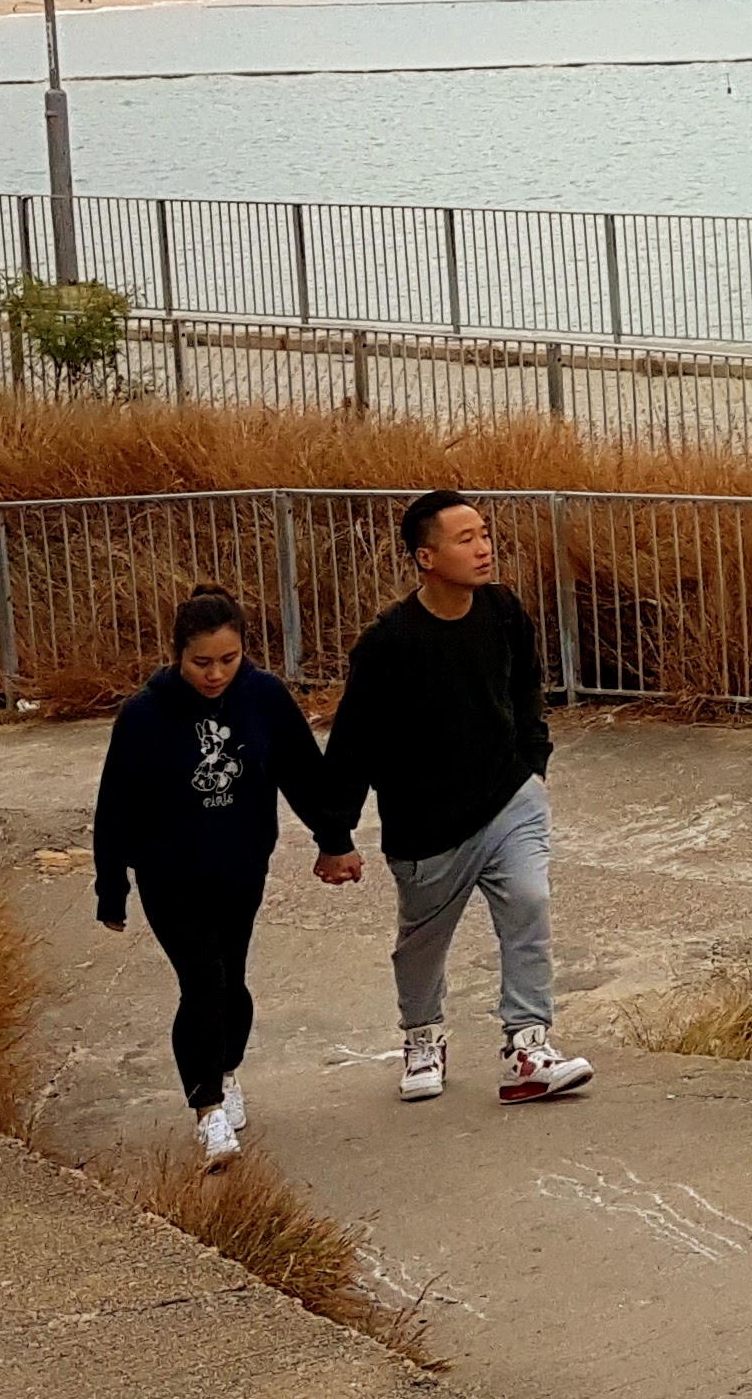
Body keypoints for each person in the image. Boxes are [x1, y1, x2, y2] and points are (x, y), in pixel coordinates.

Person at [300, 490, 594, 1106]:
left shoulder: (503, 609)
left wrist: (532, 766)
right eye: (466, 539)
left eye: (485, 534)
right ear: (425, 557)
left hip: (509, 798)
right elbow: (353, 743)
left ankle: (526, 1047)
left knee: (530, 906)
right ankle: (423, 1036)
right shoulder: (389, 643)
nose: (484, 548)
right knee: (422, 944)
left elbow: (525, 689)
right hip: (426, 825)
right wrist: (336, 837)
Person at [93, 587, 322, 1168]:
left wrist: (335, 839)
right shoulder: (145, 714)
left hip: (241, 869)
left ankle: (223, 1069)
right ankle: (208, 1112)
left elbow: (303, 774)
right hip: (170, 875)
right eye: (202, 662)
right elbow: (116, 804)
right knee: (203, 979)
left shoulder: (265, 697)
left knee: (233, 980)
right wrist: (111, 887)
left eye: (229, 659)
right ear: (178, 655)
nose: (216, 673)